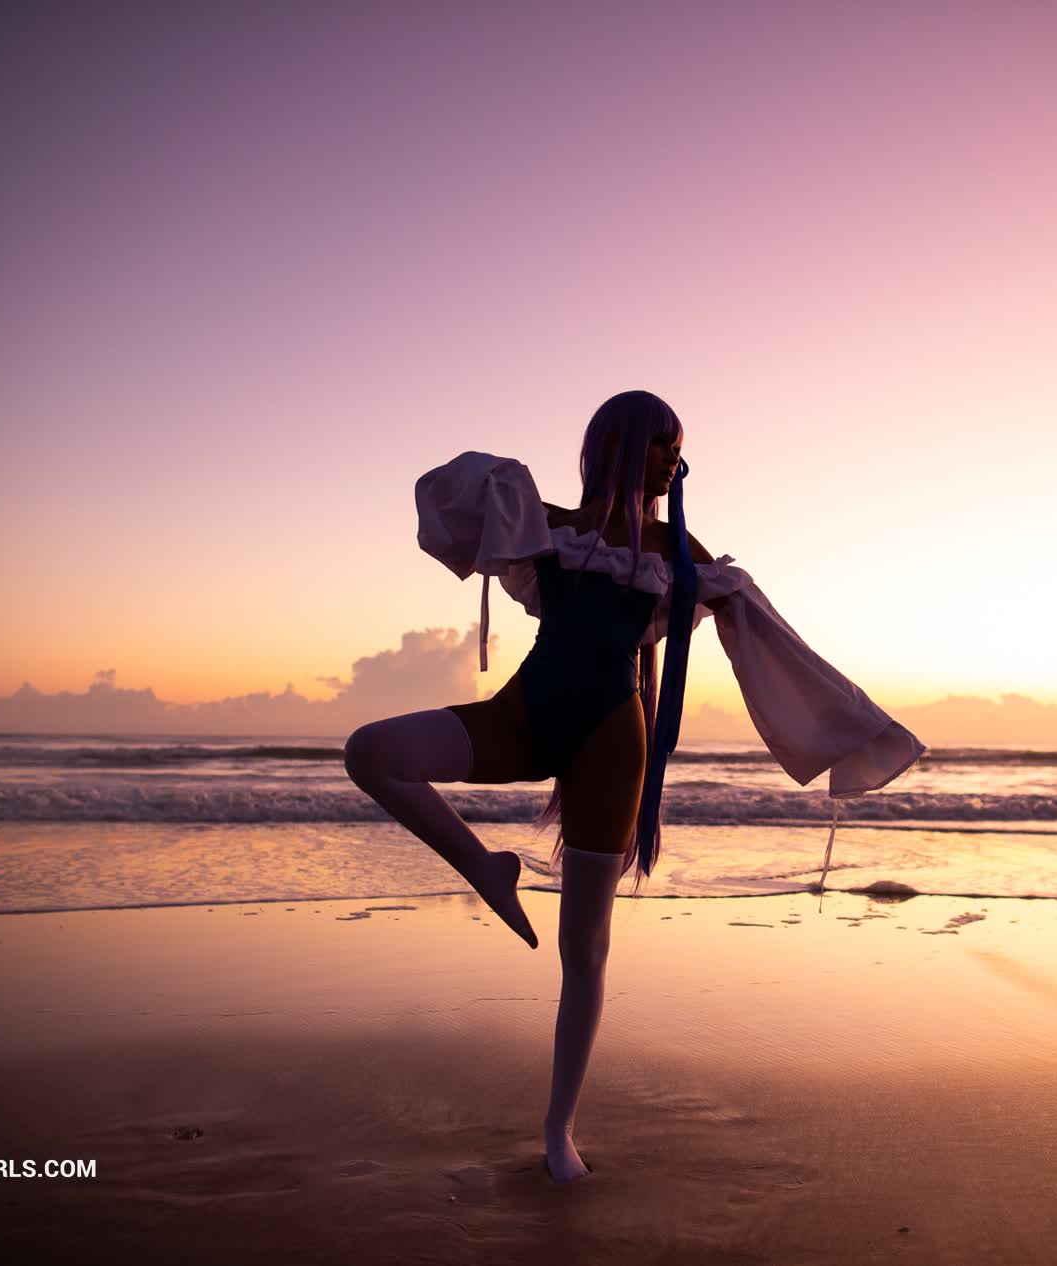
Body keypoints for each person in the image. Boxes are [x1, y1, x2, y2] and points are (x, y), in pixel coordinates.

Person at [344, 389, 924, 1183]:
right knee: (371, 752)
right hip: (522, 715)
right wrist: (508, 477)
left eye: (676, 448)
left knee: (585, 949)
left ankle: (559, 1131)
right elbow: (449, 496)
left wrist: (854, 728)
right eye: (659, 443)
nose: (671, 460)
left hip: (613, 745)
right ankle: (486, 868)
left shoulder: (676, 553)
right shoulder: (549, 526)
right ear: (616, 443)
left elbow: (767, 639)